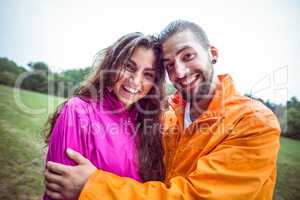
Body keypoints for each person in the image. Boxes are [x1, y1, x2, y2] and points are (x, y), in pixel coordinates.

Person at [45, 20, 281, 200]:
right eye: (169, 65)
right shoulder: (165, 117)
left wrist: (94, 187)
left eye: (188, 56)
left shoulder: (254, 122)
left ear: (213, 53)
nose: (179, 72)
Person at [43, 32, 167, 199]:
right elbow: (59, 192)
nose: (136, 81)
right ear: (113, 65)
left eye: (148, 75)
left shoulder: (151, 126)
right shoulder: (78, 112)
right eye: (129, 67)